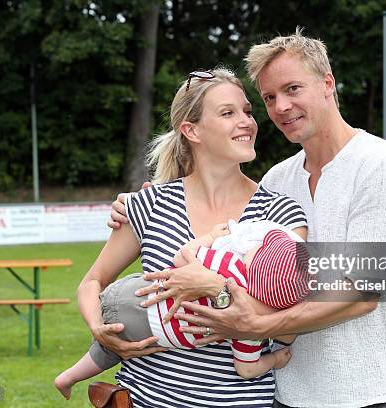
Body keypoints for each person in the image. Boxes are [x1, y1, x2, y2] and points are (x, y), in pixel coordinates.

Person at [109, 29, 386, 407]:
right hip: (288, 392)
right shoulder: (278, 181)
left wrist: (255, 325)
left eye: (292, 89)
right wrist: (143, 201)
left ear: (327, 84)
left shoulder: (379, 165)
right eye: (270, 97)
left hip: (369, 390)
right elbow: (219, 232)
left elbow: (365, 294)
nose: (281, 107)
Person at [77, 67, 322, 408]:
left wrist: (216, 290)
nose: (247, 122)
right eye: (228, 113)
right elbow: (92, 282)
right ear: (191, 130)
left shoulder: (280, 214)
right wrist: (98, 329)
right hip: (147, 399)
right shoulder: (148, 204)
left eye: (247, 112)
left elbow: (288, 327)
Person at [55, 220, 309, 399]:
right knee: (112, 350)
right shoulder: (249, 325)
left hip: (133, 292)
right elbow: (247, 369)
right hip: (146, 331)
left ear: (254, 258)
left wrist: (210, 238)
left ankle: (67, 377)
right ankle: (69, 377)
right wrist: (275, 359)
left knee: (113, 342)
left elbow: (182, 256)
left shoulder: (227, 263)